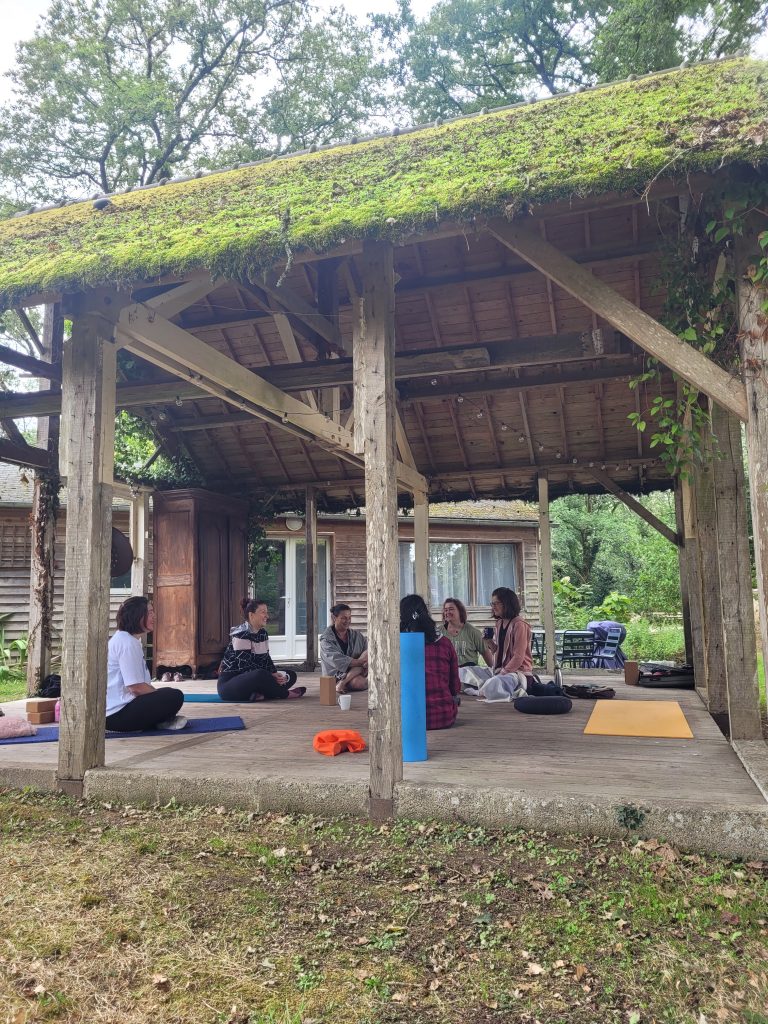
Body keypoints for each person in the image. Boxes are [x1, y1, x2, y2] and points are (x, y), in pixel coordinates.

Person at [106, 596, 187, 731]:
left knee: (166, 694)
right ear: (136, 616)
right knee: (174, 696)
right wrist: (157, 699)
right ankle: (160, 721)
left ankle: (158, 720)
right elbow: (136, 687)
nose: (154, 616)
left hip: (115, 713)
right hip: (117, 715)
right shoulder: (127, 643)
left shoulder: (125, 639)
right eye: (149, 612)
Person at [218, 598, 306, 702]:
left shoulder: (263, 634)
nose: (267, 616)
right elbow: (245, 668)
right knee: (259, 674)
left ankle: (259, 694)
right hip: (231, 686)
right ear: (251, 615)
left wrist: (276, 674)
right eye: (263, 612)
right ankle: (284, 694)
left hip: (257, 679)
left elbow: (266, 659)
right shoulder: (241, 635)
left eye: (267, 612)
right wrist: (271, 676)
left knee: (290, 675)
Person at [400, 593, 460, 730]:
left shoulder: (398, 645)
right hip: (443, 716)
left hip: (408, 719)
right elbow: (455, 686)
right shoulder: (445, 643)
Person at [462, 587, 534, 700]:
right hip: (499, 671)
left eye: (497, 603)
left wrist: (503, 672)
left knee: (495, 682)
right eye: (492, 603)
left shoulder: (520, 624)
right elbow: (498, 651)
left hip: (517, 674)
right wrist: (489, 642)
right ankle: (486, 688)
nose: (493, 606)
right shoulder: (499, 623)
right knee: (463, 671)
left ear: (507, 604)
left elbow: (518, 657)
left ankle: (480, 692)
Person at [319, 603, 368, 693]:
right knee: (358, 683)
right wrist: (362, 663)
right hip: (336, 676)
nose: (347, 621)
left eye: (349, 618)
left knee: (368, 653)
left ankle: (343, 683)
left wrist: (364, 662)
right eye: (344, 618)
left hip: (356, 670)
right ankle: (342, 682)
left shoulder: (356, 635)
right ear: (334, 618)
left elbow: (367, 651)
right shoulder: (326, 639)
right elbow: (337, 660)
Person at [440, 597, 486, 670]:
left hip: (469, 676)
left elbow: (486, 655)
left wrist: (495, 674)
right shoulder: (439, 632)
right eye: (445, 610)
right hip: (446, 675)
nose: (447, 612)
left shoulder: (473, 632)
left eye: (451, 609)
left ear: (460, 611)